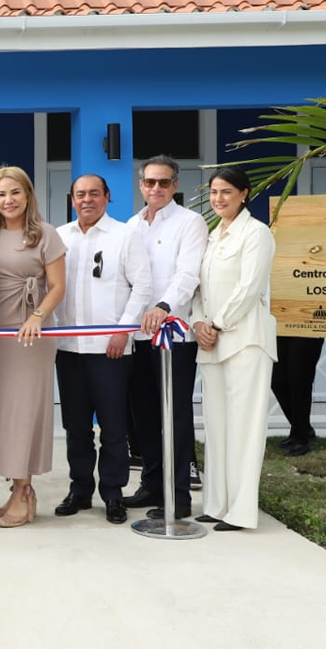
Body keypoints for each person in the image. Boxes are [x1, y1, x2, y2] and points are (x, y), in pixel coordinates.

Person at [53, 174, 152, 525]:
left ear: (107, 197)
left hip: (110, 350)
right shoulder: (59, 237)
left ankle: (112, 493)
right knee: (76, 427)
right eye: (80, 194)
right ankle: (80, 490)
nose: (87, 199)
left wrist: (122, 331)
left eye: (95, 193)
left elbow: (142, 286)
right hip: (68, 349)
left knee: (113, 428)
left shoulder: (125, 236)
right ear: (72, 199)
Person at [0, 167, 66, 528]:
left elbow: (57, 285)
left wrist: (38, 316)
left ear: (28, 194)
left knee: (23, 412)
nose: (7, 200)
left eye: (14, 192)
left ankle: (23, 490)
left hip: (30, 334)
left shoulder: (46, 235)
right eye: (1, 194)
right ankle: (18, 488)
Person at [191, 166, 277, 531]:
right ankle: (217, 504)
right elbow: (199, 289)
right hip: (210, 343)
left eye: (226, 192)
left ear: (244, 193)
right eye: (213, 192)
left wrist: (216, 323)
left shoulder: (257, 233)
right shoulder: (213, 237)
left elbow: (249, 287)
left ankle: (241, 512)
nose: (218, 199)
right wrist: (198, 322)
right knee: (216, 426)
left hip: (245, 340)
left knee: (244, 427)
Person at [125, 156, 209, 520]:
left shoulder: (190, 223)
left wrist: (163, 305)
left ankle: (179, 496)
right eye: (149, 182)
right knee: (143, 414)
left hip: (173, 334)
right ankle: (152, 484)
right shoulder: (131, 226)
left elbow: (188, 273)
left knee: (173, 414)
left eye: (163, 182)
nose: (155, 188)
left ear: (175, 185)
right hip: (138, 336)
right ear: (141, 185)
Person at [272, 336, 324, 456]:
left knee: (299, 381)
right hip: (282, 329)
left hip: (307, 330)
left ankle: (300, 438)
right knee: (277, 379)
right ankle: (303, 428)